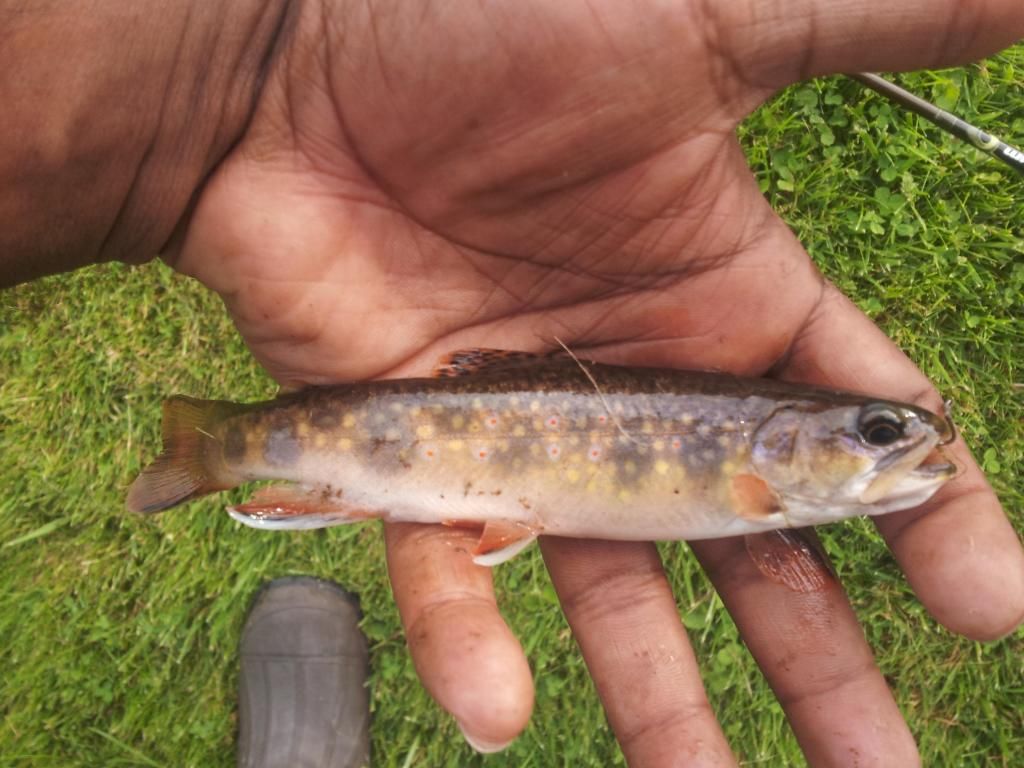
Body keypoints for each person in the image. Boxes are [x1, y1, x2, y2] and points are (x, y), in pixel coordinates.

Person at [3, 1, 1023, 765]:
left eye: (883, 432)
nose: (907, 442)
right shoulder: (757, 493)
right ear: (789, 438)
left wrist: (228, 66)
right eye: (878, 431)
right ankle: (220, 448)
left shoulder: (769, 495)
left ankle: (224, 450)